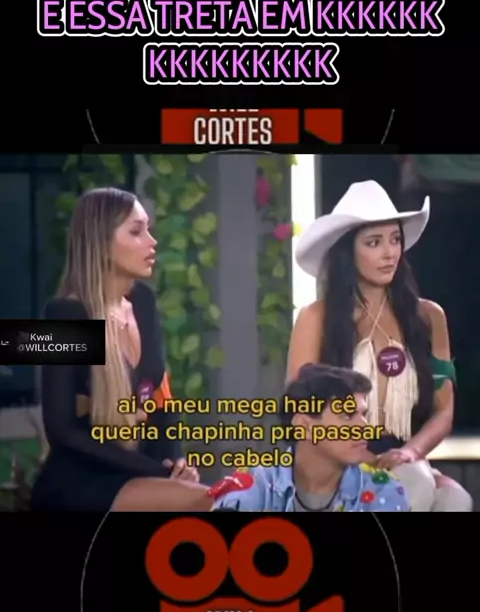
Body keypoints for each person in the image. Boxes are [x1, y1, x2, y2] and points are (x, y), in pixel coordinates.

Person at [288, 179, 472, 512]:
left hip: (403, 457)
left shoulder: (428, 316)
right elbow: (299, 410)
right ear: (347, 252)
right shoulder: (316, 318)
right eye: (374, 242)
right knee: (412, 488)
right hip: (337, 460)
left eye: (395, 239)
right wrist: (362, 457)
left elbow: (444, 410)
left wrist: (411, 452)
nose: (389, 253)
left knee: (456, 500)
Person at [31, 187, 216, 512]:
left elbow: (161, 401)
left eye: (149, 229)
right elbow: (62, 431)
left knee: (212, 499)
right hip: (81, 482)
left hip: (140, 474)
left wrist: (175, 466)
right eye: (136, 231)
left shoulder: (143, 302)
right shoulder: (68, 314)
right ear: (101, 242)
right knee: (208, 502)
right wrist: (155, 472)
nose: (151, 242)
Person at [215, 364, 410, 511]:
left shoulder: (382, 489)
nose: (364, 428)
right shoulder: (253, 481)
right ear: (305, 425)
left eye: (363, 415)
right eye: (347, 416)